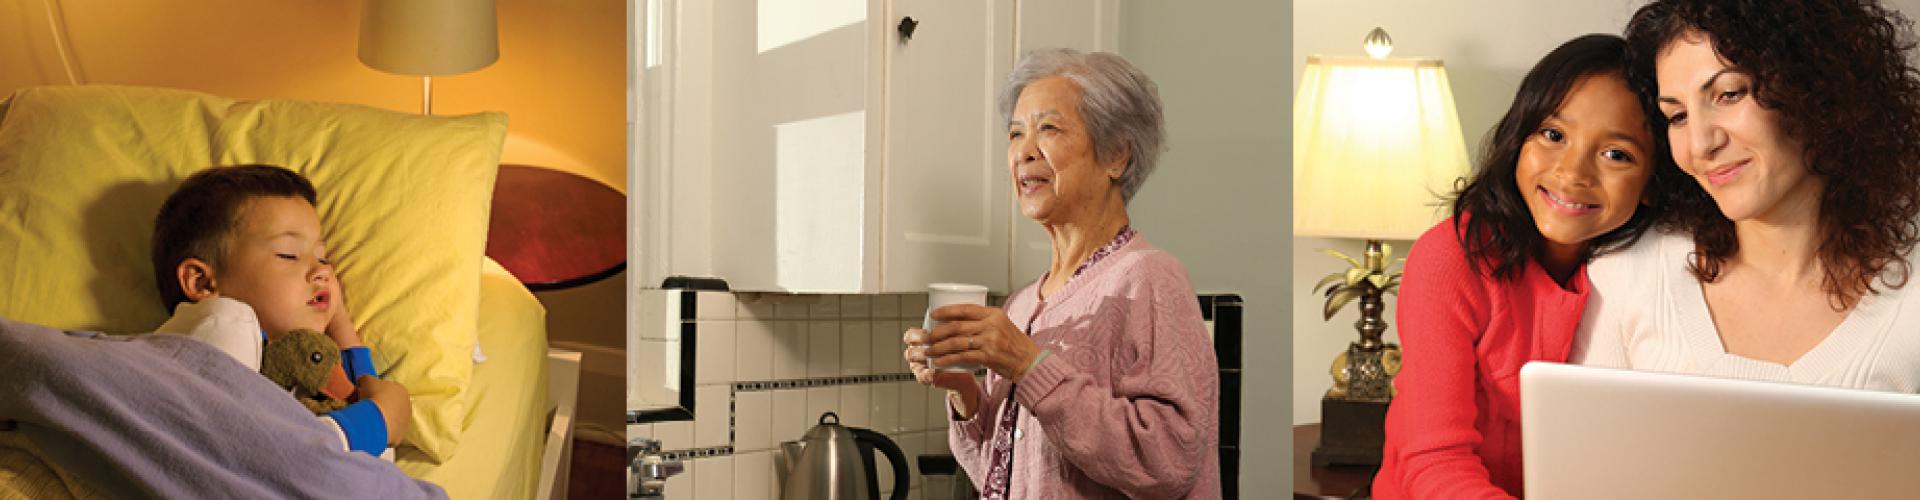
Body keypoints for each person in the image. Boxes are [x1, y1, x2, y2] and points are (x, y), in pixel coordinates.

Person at [899, 48, 1219, 499]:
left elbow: (1168, 462)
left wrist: (1027, 366)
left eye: (1048, 129)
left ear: (1117, 156)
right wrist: (963, 392)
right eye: (1015, 134)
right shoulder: (1025, 302)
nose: (1024, 152)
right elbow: (1001, 474)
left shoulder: (1150, 280)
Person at [1373, 34, 1682, 499]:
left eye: (1616, 154)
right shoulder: (1450, 260)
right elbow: (1433, 460)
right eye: (1553, 135)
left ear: (1653, 183)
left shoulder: (1647, 267)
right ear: (1520, 138)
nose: (1573, 172)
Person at [1574, 0, 1920, 393]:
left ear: (1815, 87)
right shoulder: (1628, 275)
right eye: (1678, 116)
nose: (1701, 144)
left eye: (1729, 94)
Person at [150, 164, 412, 456]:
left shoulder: (291, 368)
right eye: (289, 255)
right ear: (202, 282)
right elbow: (268, 458)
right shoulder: (218, 329)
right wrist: (379, 421)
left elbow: (355, 394)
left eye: (323, 259)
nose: (322, 272)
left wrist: (336, 318)